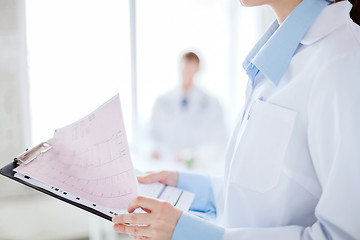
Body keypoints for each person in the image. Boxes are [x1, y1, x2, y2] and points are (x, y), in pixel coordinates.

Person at [113, 0, 360, 239]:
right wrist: (185, 186)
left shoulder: (342, 65)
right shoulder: (279, 61)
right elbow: (257, 198)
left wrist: (194, 235)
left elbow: (344, 234)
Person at [149, 51, 227, 168]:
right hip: (166, 164)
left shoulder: (211, 104)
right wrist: (161, 152)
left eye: (192, 69)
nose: (188, 74)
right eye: (185, 69)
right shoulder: (162, 102)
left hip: (197, 168)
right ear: (180, 68)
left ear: (198, 70)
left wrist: (191, 155)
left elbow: (219, 141)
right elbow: (151, 136)